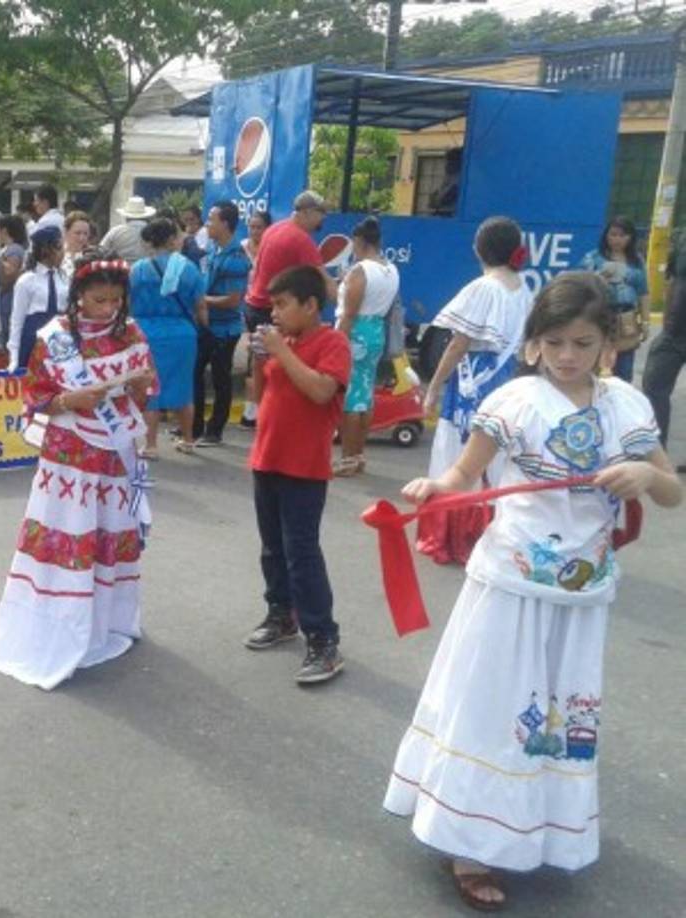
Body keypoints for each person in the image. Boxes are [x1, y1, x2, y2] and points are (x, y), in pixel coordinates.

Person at [384, 272, 681, 911]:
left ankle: (538, 828)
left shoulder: (628, 406)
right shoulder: (515, 401)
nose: (567, 355)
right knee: (496, 706)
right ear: (534, 344)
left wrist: (643, 475)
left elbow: (672, 490)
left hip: (583, 594)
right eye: (554, 342)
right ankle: (469, 842)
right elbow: (467, 472)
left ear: (608, 343)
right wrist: (438, 488)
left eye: (582, 341)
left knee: (556, 715)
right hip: (511, 583)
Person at [0, 254, 156, 689]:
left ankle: (106, 624)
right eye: (99, 300)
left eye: (115, 300)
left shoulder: (129, 332)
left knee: (110, 533)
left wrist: (138, 385)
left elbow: (148, 388)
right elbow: (35, 394)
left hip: (116, 454)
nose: (108, 308)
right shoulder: (55, 337)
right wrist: (67, 401)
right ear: (79, 296)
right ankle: (60, 625)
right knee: (69, 535)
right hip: (70, 455)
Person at [244, 266, 350, 683]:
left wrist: (280, 353)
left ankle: (323, 640)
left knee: (301, 553)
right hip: (267, 457)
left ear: (310, 305)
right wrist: (261, 359)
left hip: (303, 467)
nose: (276, 313)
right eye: (273, 305)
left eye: (283, 304)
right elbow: (264, 393)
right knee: (272, 548)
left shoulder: (332, 342)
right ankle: (280, 614)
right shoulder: (281, 342)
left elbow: (322, 390)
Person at [419, 217, 533, 565]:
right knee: (494, 456)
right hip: (504, 381)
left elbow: (458, 344)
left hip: (471, 383)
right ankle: (488, 534)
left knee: (458, 454)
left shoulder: (483, 288)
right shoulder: (523, 288)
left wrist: (433, 387)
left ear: (480, 249)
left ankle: (453, 537)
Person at [241, 191, 335, 430]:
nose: (322, 219)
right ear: (307, 212)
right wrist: (343, 302)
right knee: (283, 362)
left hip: (255, 304)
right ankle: (273, 414)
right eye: (320, 213)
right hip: (273, 309)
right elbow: (321, 280)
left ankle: (253, 413)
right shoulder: (301, 240)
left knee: (259, 360)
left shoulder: (275, 229)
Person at [129, 216, 206, 455]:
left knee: (151, 390)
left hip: (147, 335)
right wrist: (203, 326)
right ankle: (189, 439)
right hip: (183, 335)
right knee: (184, 389)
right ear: (172, 239)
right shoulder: (188, 268)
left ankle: (151, 445)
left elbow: (129, 304)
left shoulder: (138, 269)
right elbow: (201, 306)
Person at [333, 216, 400, 477]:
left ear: (359, 241)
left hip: (356, 334)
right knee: (365, 395)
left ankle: (348, 457)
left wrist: (336, 344)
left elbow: (349, 313)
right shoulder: (391, 270)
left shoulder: (360, 271)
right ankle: (359, 455)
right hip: (375, 333)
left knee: (350, 399)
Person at [193, 201, 250, 446]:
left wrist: (201, 300)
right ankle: (193, 427)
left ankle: (215, 430)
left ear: (225, 223)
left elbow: (233, 300)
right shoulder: (213, 249)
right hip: (206, 325)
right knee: (194, 374)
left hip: (224, 330)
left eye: (211, 219)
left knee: (220, 380)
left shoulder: (237, 257)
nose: (207, 224)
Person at [578, 216, 649, 383]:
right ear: (606, 236)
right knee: (590, 366)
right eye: (613, 234)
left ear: (631, 237)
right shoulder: (593, 258)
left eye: (623, 235)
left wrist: (646, 322)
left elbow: (643, 292)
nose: (617, 239)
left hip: (626, 320)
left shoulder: (636, 261)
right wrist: (598, 277)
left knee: (623, 372)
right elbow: (579, 286)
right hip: (599, 317)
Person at [643, 227, 686, 462]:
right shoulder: (681, 238)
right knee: (653, 388)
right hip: (673, 333)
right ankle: (657, 455)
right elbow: (672, 280)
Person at [9, 226, 68, 371]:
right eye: (59, 248)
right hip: (34, 335)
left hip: (59, 335)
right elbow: (17, 320)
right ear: (46, 250)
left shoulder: (64, 277)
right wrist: (14, 356)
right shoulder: (27, 280)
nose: (63, 253)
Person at [0, 215, 28, 345]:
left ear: (4, 231)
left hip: (9, 296)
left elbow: (10, 274)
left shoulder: (14, 249)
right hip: (7, 296)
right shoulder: (10, 249)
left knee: (6, 333)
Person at [100, 196, 154, 263]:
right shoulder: (153, 232)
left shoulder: (115, 231)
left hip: (120, 270)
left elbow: (101, 250)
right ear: (146, 216)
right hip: (147, 270)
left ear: (126, 216)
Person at [62, 210, 93, 275]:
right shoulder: (57, 257)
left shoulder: (92, 257)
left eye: (85, 233)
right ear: (66, 232)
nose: (81, 238)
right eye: (77, 233)